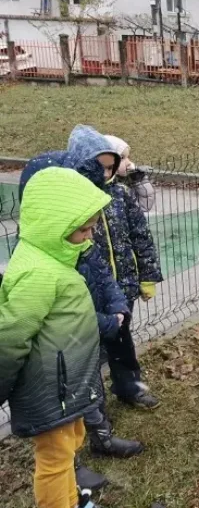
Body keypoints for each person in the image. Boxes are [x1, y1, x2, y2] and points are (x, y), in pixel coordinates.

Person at [19, 125, 147, 490]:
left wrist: (117, 302)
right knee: (67, 398)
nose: (105, 177)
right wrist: (106, 321)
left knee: (89, 379)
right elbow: (62, 316)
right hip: (61, 349)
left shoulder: (80, 236)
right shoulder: (42, 265)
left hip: (90, 320)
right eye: (99, 169)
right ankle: (70, 469)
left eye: (109, 168)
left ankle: (101, 437)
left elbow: (101, 270)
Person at [0, 167, 112, 508]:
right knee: (55, 456)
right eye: (83, 230)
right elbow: (10, 336)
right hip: (49, 387)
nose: (90, 237)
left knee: (70, 443)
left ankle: (73, 501)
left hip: (66, 385)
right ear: (55, 226)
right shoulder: (37, 273)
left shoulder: (54, 259)